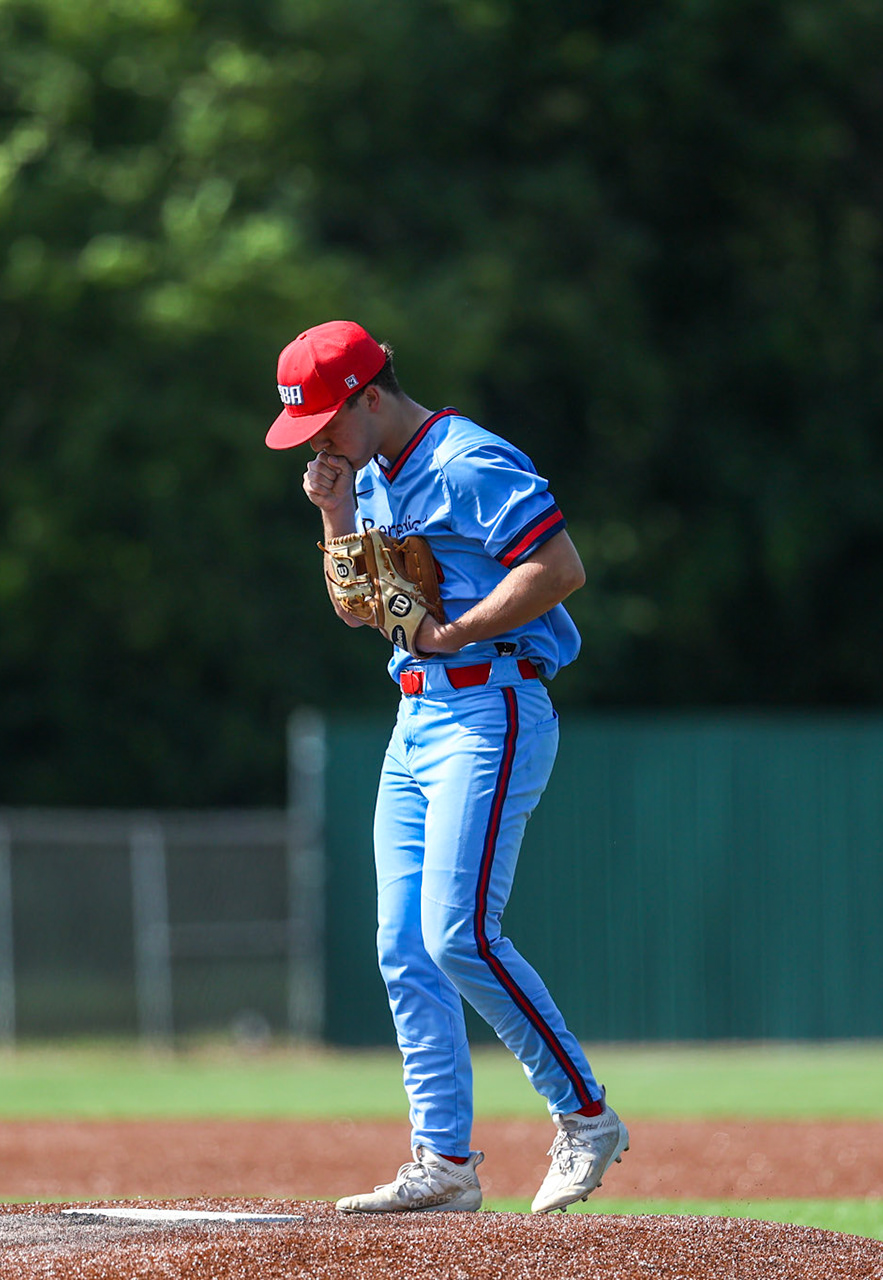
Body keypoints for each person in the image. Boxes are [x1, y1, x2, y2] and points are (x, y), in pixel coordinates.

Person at [266, 319, 628, 1214]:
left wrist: (461, 631)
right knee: (402, 948)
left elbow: (561, 568)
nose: (317, 441)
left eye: (325, 422)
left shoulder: (469, 461)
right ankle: (444, 1164)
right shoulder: (374, 477)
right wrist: (336, 513)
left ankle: (585, 1117)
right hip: (417, 715)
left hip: (490, 703)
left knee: (457, 935)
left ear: (372, 396)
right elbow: (362, 613)